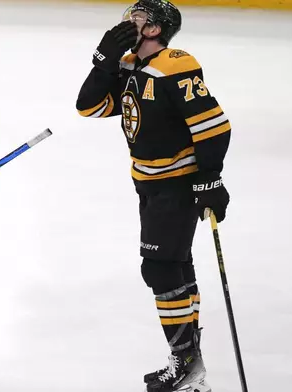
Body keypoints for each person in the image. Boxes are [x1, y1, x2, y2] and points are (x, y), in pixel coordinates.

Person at [76, 1, 230, 391]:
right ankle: (191, 366)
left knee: (159, 268)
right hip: (147, 181)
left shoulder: (175, 64)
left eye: (139, 18)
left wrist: (209, 178)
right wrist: (104, 61)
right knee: (175, 265)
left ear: (156, 29)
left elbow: (213, 123)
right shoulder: (129, 65)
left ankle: (186, 363)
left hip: (177, 181)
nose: (129, 21)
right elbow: (89, 108)